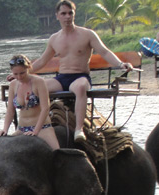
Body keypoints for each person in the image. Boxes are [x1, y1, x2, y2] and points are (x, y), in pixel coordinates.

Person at [30, 0, 134, 142]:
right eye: (63, 13)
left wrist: (121, 63)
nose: (67, 17)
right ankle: (33, 124)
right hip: (61, 78)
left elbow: (104, 51)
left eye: (70, 13)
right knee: (38, 87)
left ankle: (79, 129)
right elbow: (42, 61)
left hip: (80, 76)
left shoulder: (87, 34)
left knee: (80, 87)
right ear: (57, 16)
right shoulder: (54, 38)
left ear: (74, 14)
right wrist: (22, 73)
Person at [0, 54, 60, 149]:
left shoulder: (39, 82)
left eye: (22, 73)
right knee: (1, 150)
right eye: (15, 74)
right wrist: (5, 129)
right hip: (22, 129)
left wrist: (35, 131)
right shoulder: (13, 85)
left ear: (29, 68)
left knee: (56, 153)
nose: (19, 77)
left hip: (43, 128)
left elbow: (45, 108)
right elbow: (10, 111)